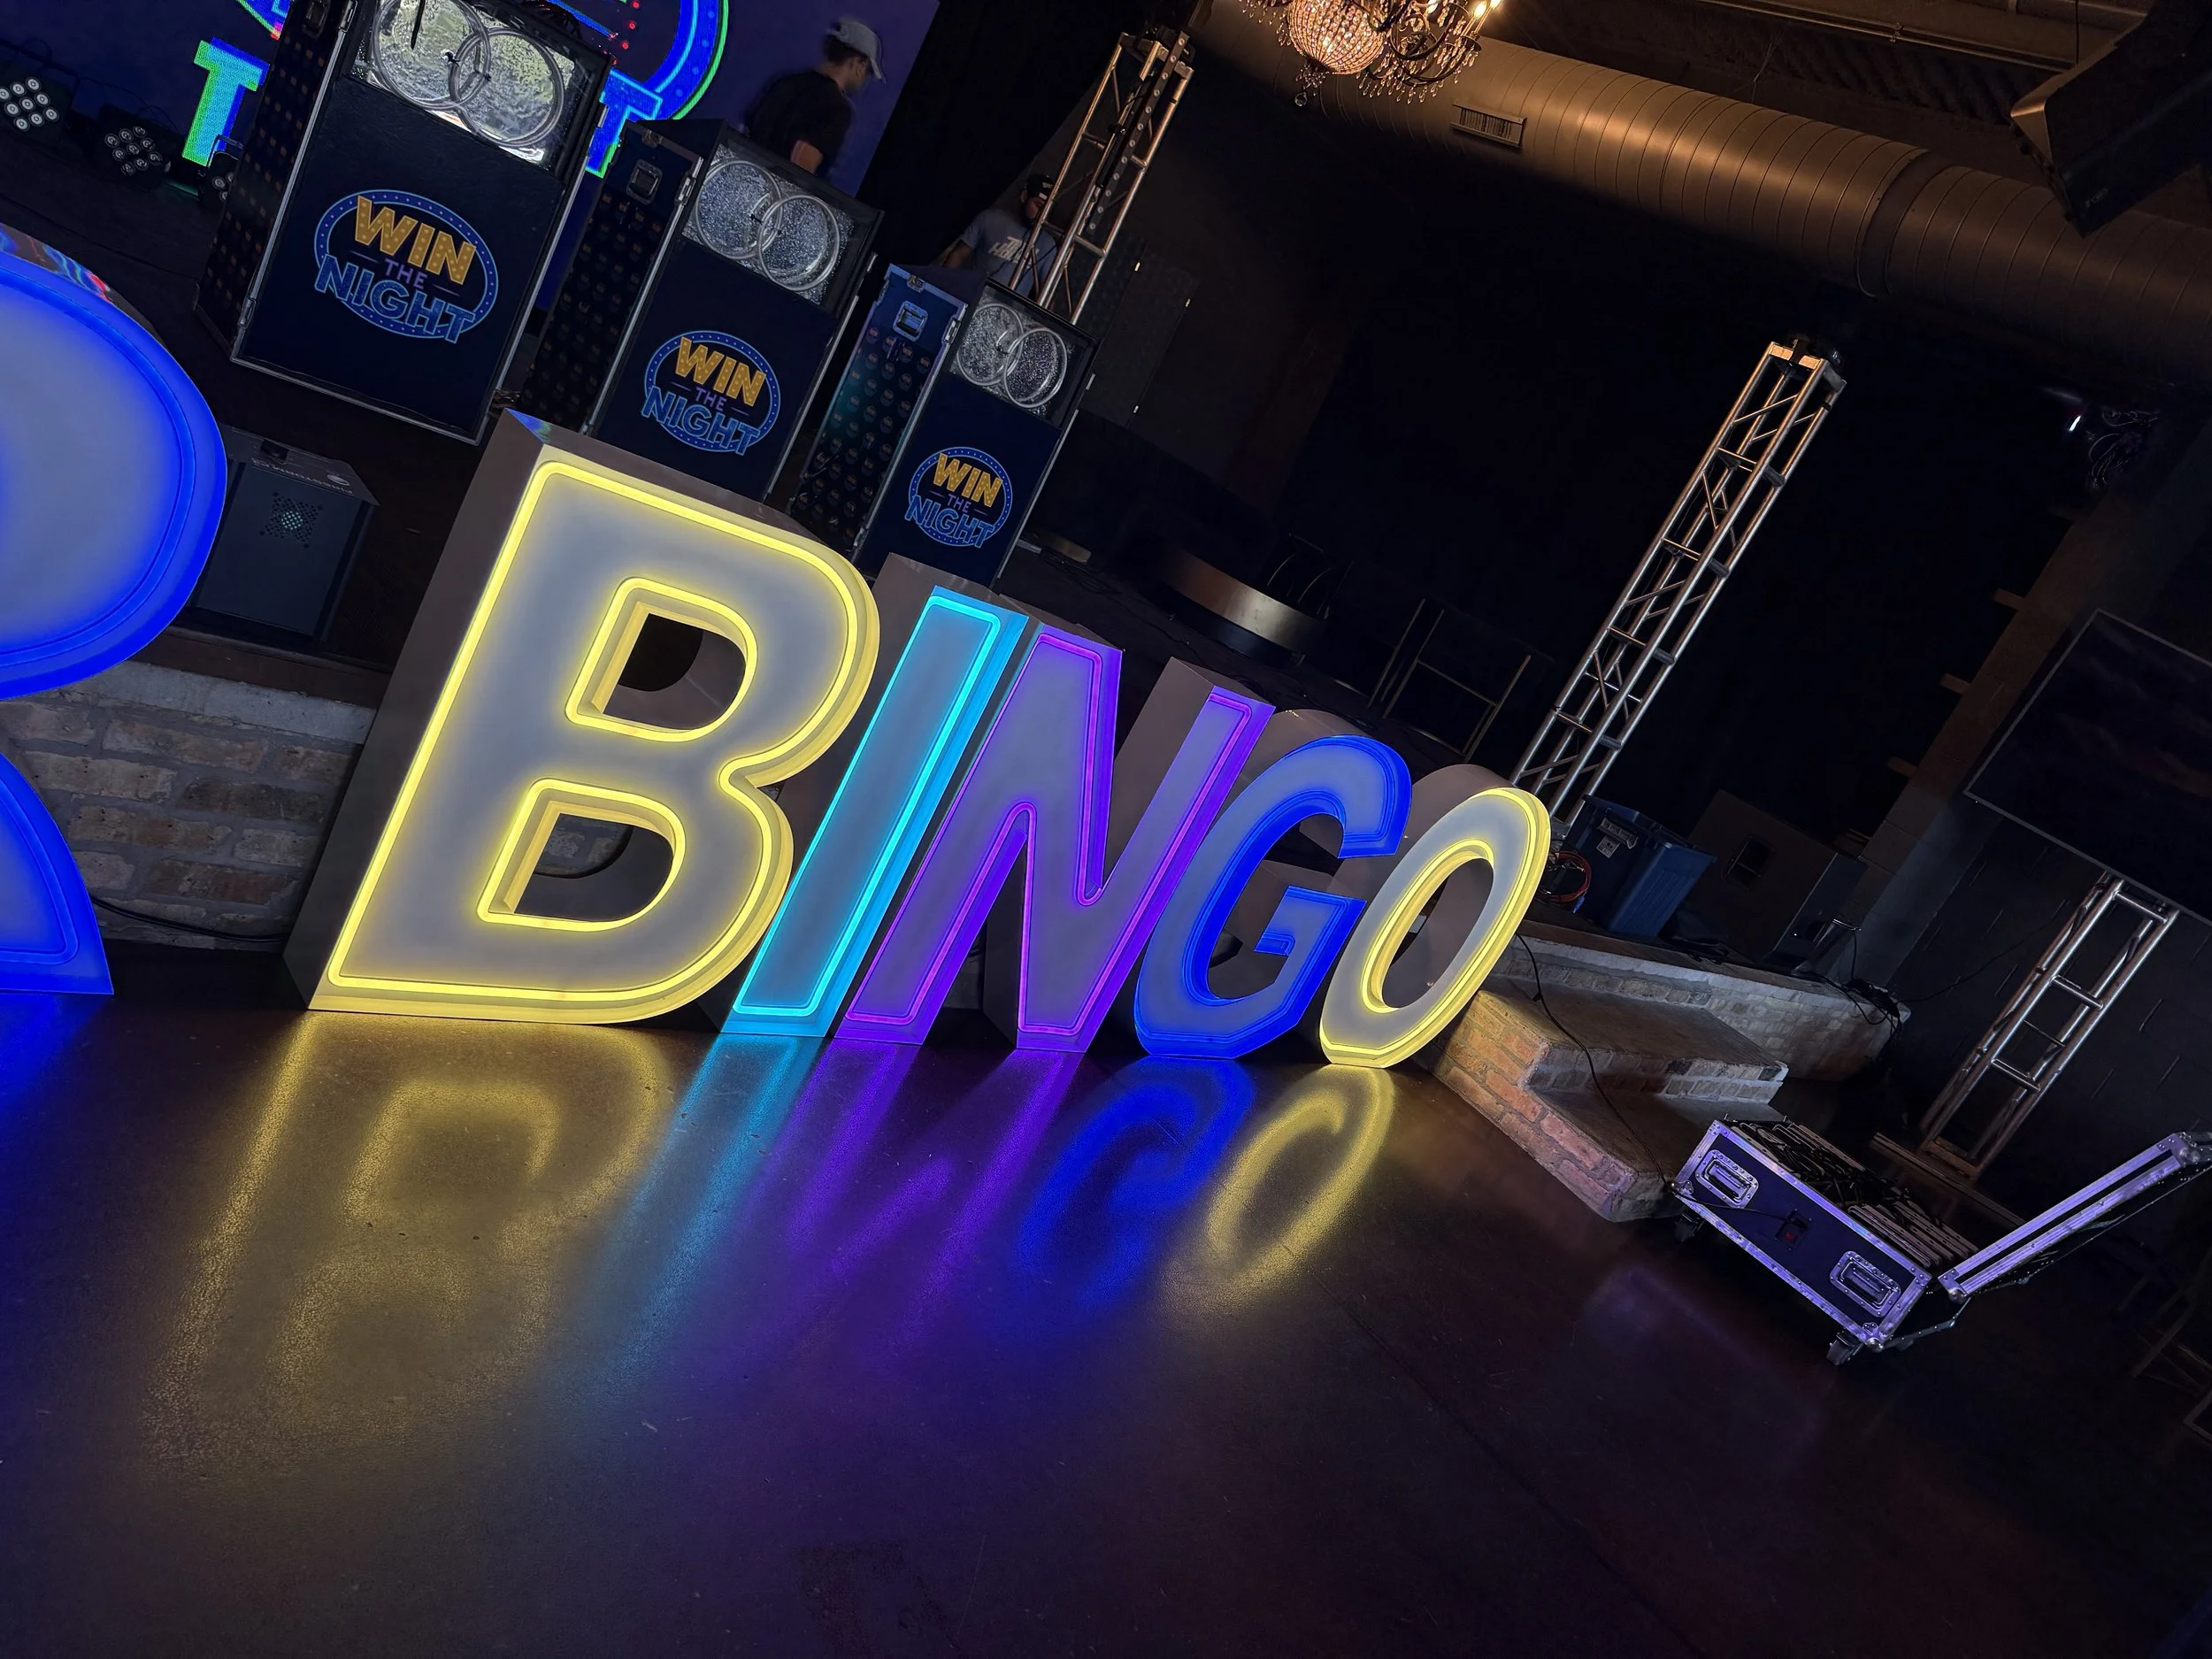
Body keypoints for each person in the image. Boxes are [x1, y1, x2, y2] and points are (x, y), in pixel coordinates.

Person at [743, 18, 882, 177]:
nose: (865, 78)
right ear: (860, 64)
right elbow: (801, 167)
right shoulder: (838, 109)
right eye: (868, 72)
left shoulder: (785, 82)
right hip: (771, 195)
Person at [941, 173, 1058, 299]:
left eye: (1047, 209)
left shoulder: (1048, 245)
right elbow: (958, 255)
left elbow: (1049, 293)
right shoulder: (989, 219)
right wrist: (941, 288)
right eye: (1039, 206)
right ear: (1024, 197)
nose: (1042, 214)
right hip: (973, 299)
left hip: (1011, 314)